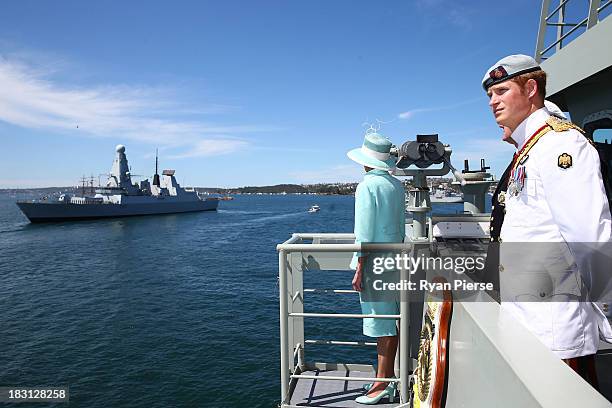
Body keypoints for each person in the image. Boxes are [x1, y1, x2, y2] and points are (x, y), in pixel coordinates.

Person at [483, 54, 612, 388]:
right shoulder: (532, 149)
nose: (493, 102)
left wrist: (608, 311)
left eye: (501, 90)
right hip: (526, 321)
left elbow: (589, 234)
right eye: (490, 95)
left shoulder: (560, 145)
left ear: (530, 89)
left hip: (554, 329)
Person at [347, 131, 405, 404]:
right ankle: (386, 378)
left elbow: (364, 232)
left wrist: (360, 266)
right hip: (394, 261)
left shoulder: (367, 186)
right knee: (389, 322)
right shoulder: (396, 185)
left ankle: (383, 384)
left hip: (374, 264)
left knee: (381, 324)